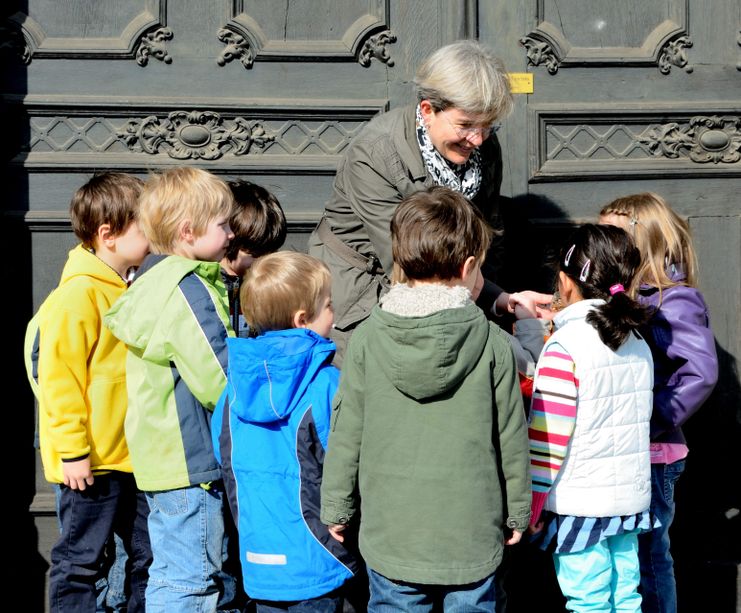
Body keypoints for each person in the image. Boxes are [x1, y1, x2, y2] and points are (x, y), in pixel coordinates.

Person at [321, 187, 531, 611]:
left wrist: (337, 506)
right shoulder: (494, 344)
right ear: (470, 267)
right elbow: (512, 435)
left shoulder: (364, 341)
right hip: (472, 534)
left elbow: (347, 433)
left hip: (392, 535)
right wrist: (519, 511)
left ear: (399, 263)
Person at [307, 39, 551, 362]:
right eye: (465, 125)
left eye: (487, 126)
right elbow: (409, 262)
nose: (477, 140)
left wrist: (499, 299)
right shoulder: (376, 153)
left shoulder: (485, 149)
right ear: (427, 110)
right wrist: (482, 315)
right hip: (363, 289)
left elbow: (488, 236)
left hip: (449, 288)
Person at [104, 167, 236, 613]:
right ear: (187, 232)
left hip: (162, 456)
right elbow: (217, 373)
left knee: (173, 570)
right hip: (190, 458)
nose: (232, 233)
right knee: (191, 578)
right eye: (223, 224)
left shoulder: (149, 280)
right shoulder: (187, 287)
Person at [28, 172, 152, 612]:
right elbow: (60, 380)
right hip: (91, 462)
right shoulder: (78, 295)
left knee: (148, 556)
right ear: (108, 235)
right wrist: (72, 451)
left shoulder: (128, 287)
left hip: (130, 456)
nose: (154, 237)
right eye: (145, 228)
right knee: (82, 559)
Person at [212, 251, 357, 611]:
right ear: (303, 319)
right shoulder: (326, 383)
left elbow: (222, 450)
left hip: (258, 557)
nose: (334, 314)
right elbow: (348, 459)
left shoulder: (233, 389)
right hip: (319, 554)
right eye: (328, 305)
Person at [599, 193, 719, 613]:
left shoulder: (672, 298)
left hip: (653, 452)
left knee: (649, 555)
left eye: (612, 236)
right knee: (621, 556)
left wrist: (648, 420)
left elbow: (700, 372)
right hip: (624, 450)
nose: (604, 245)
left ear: (643, 240)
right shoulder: (625, 296)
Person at [528, 224, 655, 613]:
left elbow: (548, 437)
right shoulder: (637, 342)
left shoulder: (565, 346)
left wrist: (533, 502)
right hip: (629, 501)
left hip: (579, 503)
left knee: (588, 600)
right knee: (626, 596)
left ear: (565, 283)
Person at [220, 180, 287, 337]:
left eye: (271, 253)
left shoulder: (266, 284)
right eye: (256, 255)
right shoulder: (202, 288)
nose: (264, 263)